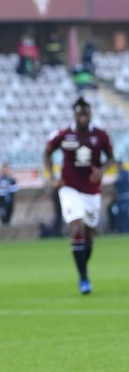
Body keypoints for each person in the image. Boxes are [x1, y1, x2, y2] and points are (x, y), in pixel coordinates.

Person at [43, 97, 114, 294]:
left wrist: (101, 171)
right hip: (70, 188)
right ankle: (83, 278)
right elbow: (47, 152)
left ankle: (83, 268)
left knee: (90, 234)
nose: (82, 117)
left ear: (90, 114)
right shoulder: (64, 135)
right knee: (76, 229)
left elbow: (111, 158)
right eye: (79, 113)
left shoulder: (100, 135)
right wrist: (52, 177)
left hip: (91, 191)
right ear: (74, 114)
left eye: (85, 113)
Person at [111, 162, 129, 234]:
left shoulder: (124, 173)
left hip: (124, 197)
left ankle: (125, 229)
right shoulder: (119, 173)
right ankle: (121, 229)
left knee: (124, 213)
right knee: (119, 213)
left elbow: (118, 183)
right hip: (119, 197)